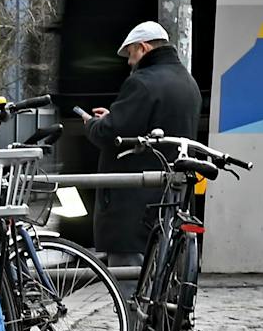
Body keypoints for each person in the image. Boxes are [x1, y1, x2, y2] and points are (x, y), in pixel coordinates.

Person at [80, 19, 202, 261]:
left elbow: (109, 134)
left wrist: (92, 123)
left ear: (144, 48)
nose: (129, 61)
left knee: (128, 282)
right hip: (168, 200)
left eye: (131, 52)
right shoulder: (188, 83)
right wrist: (114, 117)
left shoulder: (142, 82)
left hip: (133, 206)